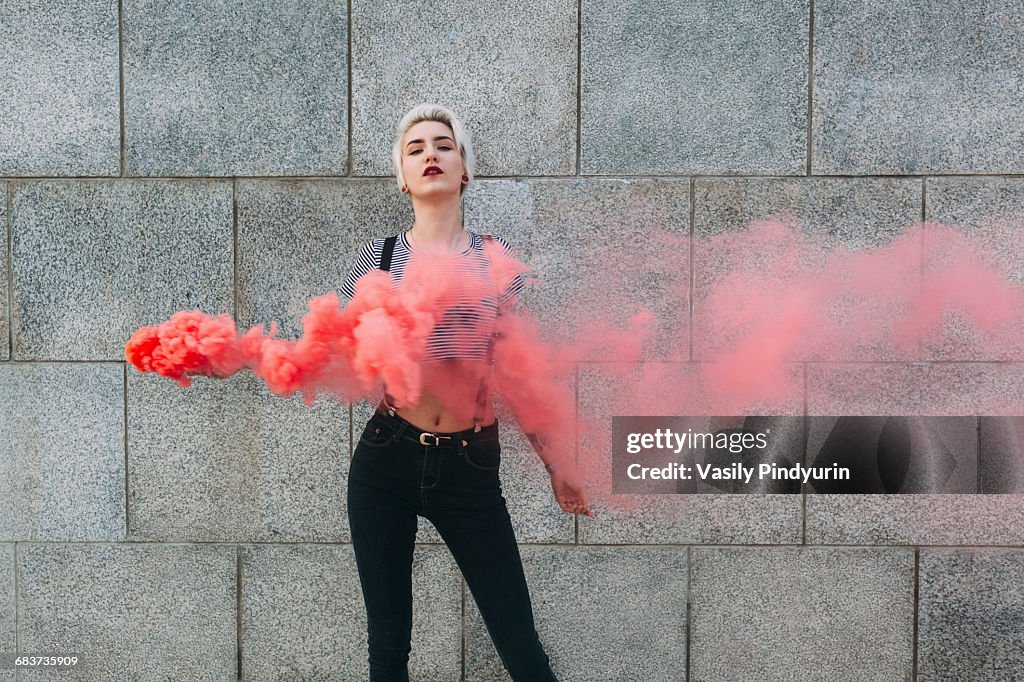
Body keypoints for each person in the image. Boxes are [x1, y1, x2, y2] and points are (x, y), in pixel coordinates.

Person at [340, 103, 590, 682]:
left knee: (523, 650)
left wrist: (557, 462)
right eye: (416, 148)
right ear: (402, 178)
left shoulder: (495, 262)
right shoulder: (377, 261)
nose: (431, 153)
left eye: (443, 145)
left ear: (464, 170)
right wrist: (247, 361)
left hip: (470, 468)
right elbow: (332, 348)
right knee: (387, 650)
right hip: (386, 461)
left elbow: (519, 373)